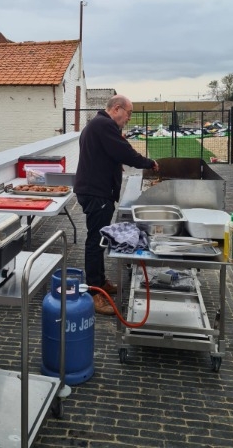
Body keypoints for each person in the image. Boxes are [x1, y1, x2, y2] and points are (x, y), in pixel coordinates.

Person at [74, 95, 159, 315]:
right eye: (128, 113)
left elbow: (106, 153)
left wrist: (113, 164)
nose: (128, 119)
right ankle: (93, 294)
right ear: (117, 108)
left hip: (94, 190)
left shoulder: (96, 124)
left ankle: (100, 282)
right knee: (94, 241)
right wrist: (149, 163)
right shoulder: (105, 125)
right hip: (96, 193)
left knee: (100, 237)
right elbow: (124, 151)